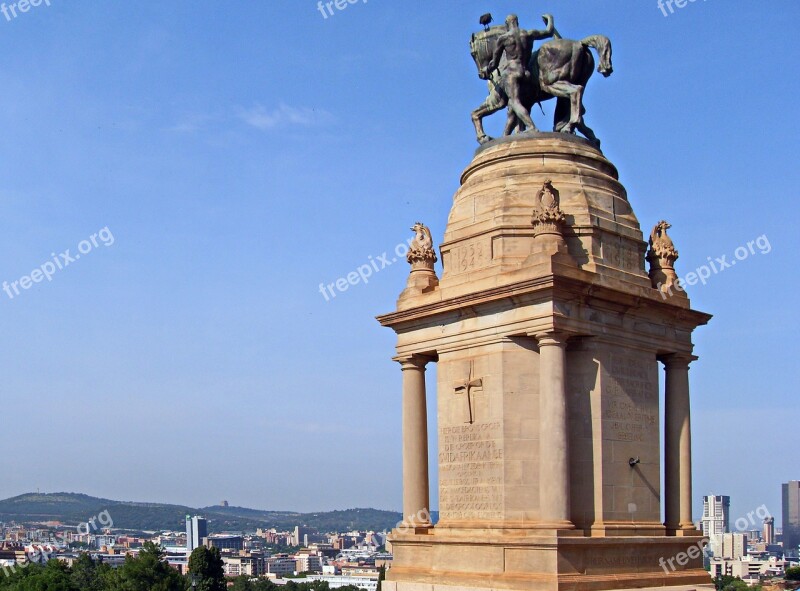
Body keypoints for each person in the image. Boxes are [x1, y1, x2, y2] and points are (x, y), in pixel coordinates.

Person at [486, 14, 555, 132]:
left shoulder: (504, 38)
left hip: (512, 73)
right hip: (527, 73)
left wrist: (487, 70)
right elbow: (549, 32)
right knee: (516, 107)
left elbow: (494, 63)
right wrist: (550, 19)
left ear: (507, 24)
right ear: (517, 22)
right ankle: (506, 135)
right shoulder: (528, 34)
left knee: (514, 102)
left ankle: (532, 127)